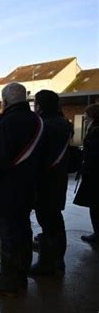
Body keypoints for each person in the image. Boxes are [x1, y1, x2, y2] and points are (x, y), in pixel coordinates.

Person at [0, 83, 44, 294]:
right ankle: (20, 275)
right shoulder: (36, 120)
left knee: (8, 236)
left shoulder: (9, 122)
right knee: (23, 231)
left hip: (8, 189)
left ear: (5, 101)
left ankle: (10, 282)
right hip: (28, 187)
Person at [30, 90, 73, 276]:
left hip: (45, 180)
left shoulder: (43, 125)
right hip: (58, 178)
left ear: (40, 105)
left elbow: (37, 154)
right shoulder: (63, 122)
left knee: (48, 221)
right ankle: (57, 259)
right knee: (55, 220)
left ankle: (48, 263)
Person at [73, 103, 99, 243]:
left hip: (94, 174)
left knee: (95, 205)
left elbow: (93, 152)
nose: (85, 119)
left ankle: (97, 234)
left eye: (87, 116)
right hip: (93, 172)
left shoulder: (95, 131)